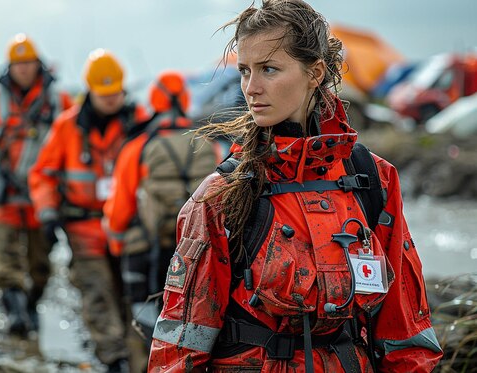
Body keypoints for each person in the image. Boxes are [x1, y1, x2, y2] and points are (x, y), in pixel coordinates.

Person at [148, 1, 443, 372]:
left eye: (269, 69)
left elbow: (406, 331)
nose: (251, 88)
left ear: (315, 72)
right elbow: (180, 345)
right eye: (244, 71)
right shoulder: (222, 195)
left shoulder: (373, 180)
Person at [28, 49, 150, 373]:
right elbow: (42, 174)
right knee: (97, 292)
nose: (111, 100)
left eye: (116, 93)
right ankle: (114, 358)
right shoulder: (67, 127)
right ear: (90, 91)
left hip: (129, 227)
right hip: (84, 228)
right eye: (103, 94)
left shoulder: (140, 121)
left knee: (131, 293)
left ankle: (138, 357)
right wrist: (47, 213)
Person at [0, 33, 71, 336]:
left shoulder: (58, 100)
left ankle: (31, 304)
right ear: (9, 67)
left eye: (29, 63)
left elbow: (74, 139)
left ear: (39, 64)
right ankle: (16, 313)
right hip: (4, 194)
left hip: (42, 197)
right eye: (17, 64)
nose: (23, 69)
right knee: (3, 259)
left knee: (40, 266)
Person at [103, 71, 221, 348]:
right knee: (189, 326)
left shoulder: (138, 147)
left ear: (154, 100)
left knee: (141, 329)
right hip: (194, 254)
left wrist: (116, 246)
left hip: (144, 251)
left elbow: (119, 210)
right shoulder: (209, 145)